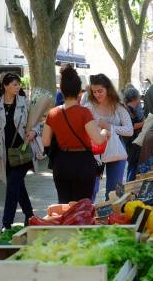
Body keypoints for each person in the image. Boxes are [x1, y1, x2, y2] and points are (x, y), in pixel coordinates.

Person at [42, 65, 109, 204]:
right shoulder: (84, 113)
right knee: (82, 208)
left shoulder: (52, 113)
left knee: (65, 207)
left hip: (61, 163)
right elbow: (97, 140)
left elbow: (46, 142)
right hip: (82, 163)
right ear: (80, 91)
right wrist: (105, 132)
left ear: (61, 90)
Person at [0, 73, 39, 229]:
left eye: (18, 84)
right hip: (6, 154)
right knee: (17, 186)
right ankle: (30, 216)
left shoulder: (25, 102)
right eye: (14, 84)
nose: (18, 87)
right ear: (5, 85)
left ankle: (6, 224)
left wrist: (34, 132)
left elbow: (37, 123)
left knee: (12, 187)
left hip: (23, 152)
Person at [85, 74, 133, 200]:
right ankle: (89, 216)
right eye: (94, 92)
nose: (97, 94)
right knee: (91, 189)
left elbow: (130, 130)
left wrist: (109, 127)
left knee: (117, 190)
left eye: (100, 91)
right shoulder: (88, 107)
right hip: (94, 151)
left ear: (108, 89)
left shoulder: (118, 106)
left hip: (117, 149)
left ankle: (117, 215)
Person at [123, 87, 144, 181]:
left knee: (132, 165)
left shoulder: (130, 109)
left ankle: (129, 185)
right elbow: (131, 126)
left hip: (132, 141)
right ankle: (129, 186)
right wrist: (145, 123)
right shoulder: (127, 110)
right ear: (135, 98)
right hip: (131, 142)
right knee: (133, 165)